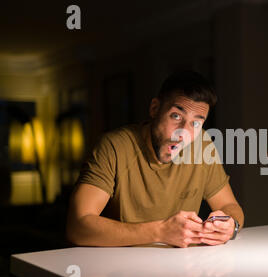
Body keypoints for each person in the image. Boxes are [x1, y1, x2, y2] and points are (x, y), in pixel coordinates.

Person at [66, 71, 244, 248]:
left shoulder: (202, 145)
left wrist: (230, 226)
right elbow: (78, 226)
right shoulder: (114, 146)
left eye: (195, 123)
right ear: (155, 108)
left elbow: (229, 205)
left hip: (184, 269)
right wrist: (161, 231)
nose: (183, 133)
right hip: (122, 269)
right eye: (176, 116)